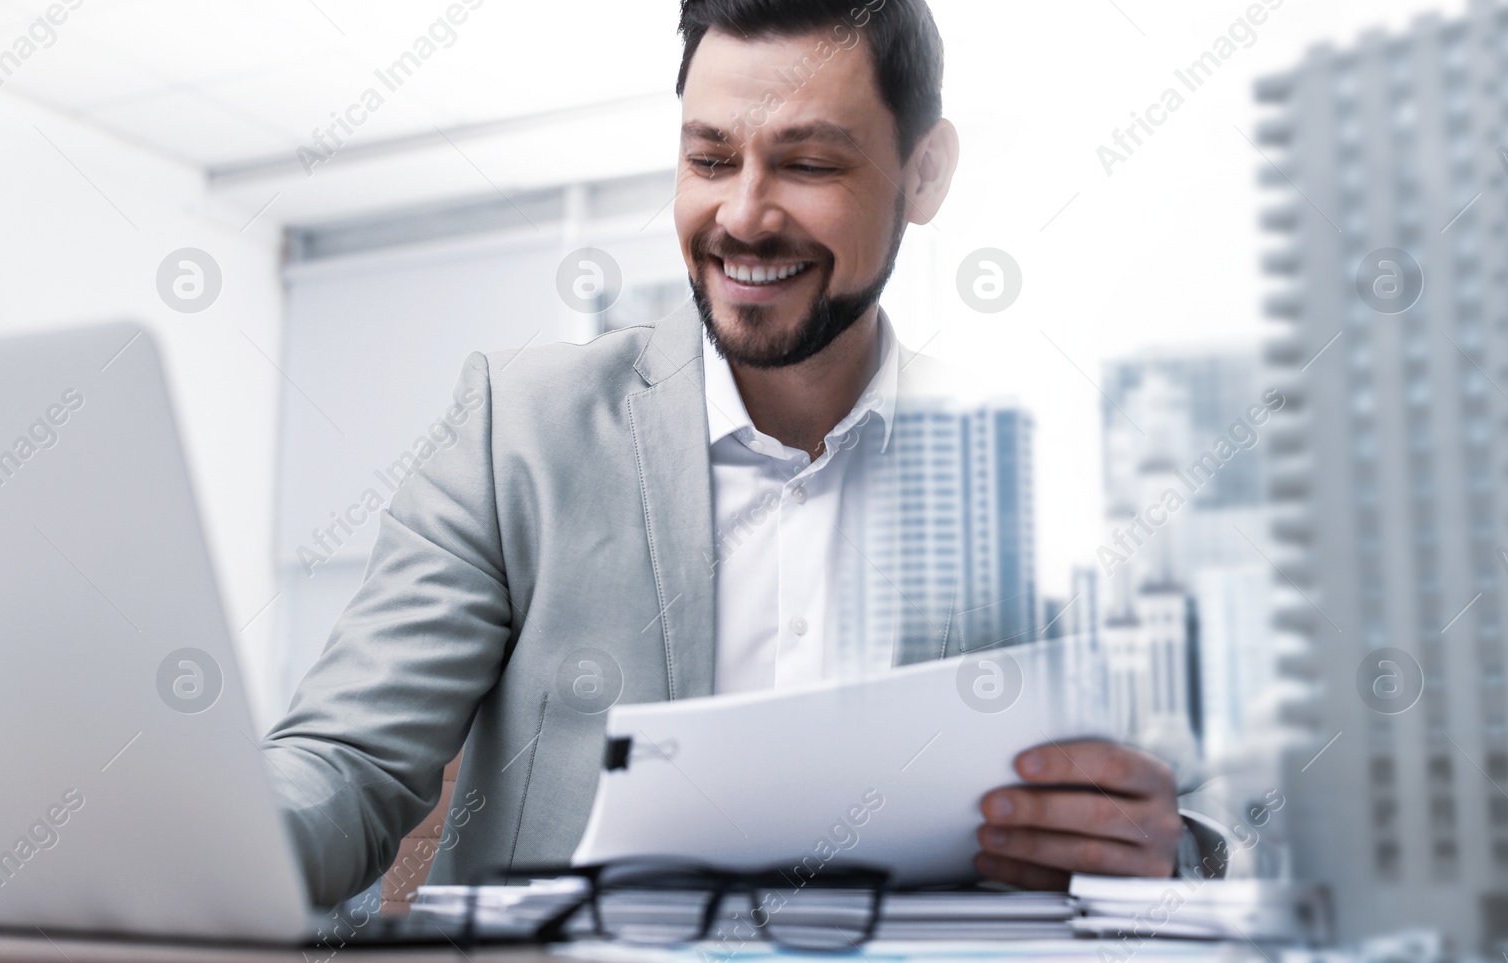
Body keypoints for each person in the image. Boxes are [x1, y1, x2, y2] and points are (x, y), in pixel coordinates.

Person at [262, 0, 1216, 908]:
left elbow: (1185, 813)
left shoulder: (1034, 465)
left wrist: (1156, 849)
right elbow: (350, 760)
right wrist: (212, 841)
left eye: (807, 163)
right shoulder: (517, 427)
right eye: (711, 159)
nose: (745, 216)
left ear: (924, 174)